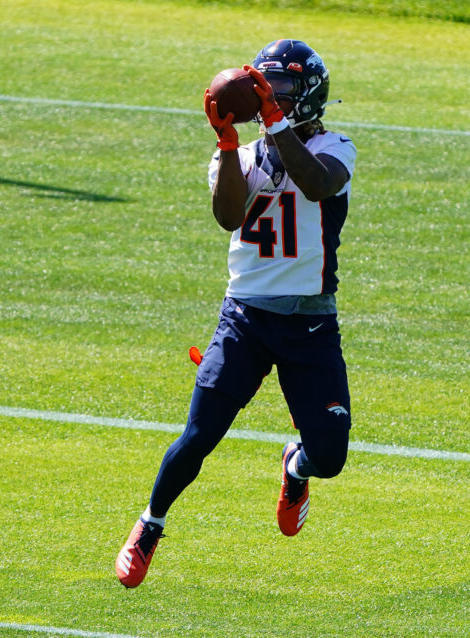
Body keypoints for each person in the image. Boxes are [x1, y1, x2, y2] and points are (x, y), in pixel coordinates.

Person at [116, 39, 356, 588]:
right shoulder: (242, 157)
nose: (274, 100)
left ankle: (296, 466)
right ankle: (149, 525)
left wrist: (275, 124)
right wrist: (228, 143)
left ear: (310, 93)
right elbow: (228, 217)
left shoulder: (336, 146)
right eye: (268, 91)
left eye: (285, 92)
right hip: (245, 318)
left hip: (310, 322)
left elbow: (317, 185)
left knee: (331, 456)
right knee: (200, 434)